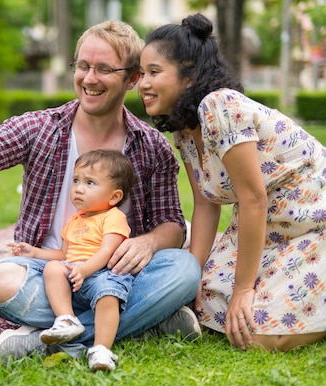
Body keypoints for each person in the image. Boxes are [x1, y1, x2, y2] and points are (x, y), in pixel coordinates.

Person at [0, 20, 202, 365]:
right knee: (0, 282)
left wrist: (150, 242)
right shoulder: (39, 127)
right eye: (82, 66)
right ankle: (143, 322)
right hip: (50, 273)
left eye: (103, 69)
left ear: (131, 79)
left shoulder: (152, 145)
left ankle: (49, 339)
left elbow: (172, 223)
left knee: (184, 267)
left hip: (117, 277)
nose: (89, 78)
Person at [138, 13, 326, 352]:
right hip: (270, 230)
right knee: (206, 301)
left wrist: (243, 290)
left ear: (189, 76)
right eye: (141, 74)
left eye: (154, 72)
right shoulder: (183, 128)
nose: (143, 84)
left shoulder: (220, 106)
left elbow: (253, 198)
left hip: (315, 220)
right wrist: (189, 278)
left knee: (259, 334)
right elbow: (206, 205)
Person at [9, 149, 136, 371]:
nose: (78, 188)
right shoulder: (75, 220)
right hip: (76, 272)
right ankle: (67, 320)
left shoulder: (113, 218)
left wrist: (85, 271)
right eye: (76, 180)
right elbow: (62, 254)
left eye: (90, 183)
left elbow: (107, 252)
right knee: (53, 268)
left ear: (114, 196)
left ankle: (101, 349)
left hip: (102, 273)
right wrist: (34, 252)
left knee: (108, 294)